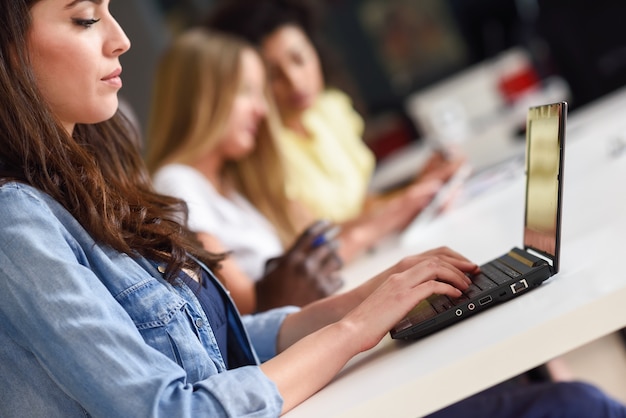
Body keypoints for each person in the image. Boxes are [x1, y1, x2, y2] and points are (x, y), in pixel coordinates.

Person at [2, 1, 626, 417]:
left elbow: (219, 344)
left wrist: (371, 297)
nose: (121, 38)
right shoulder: (17, 221)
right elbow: (176, 410)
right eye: (84, 18)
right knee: (570, 406)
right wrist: (352, 331)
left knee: (559, 396)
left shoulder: (84, 188)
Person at [204, 0, 466, 262]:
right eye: (273, 75)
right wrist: (409, 200)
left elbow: (359, 204)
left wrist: (422, 184)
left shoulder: (330, 109)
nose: (294, 81)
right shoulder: (258, 153)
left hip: (379, 252)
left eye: (299, 58)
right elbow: (311, 240)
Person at [145, 28, 342, 314]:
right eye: (247, 91)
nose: (262, 110)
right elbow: (246, 301)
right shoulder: (176, 181)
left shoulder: (229, 185)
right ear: (204, 99)